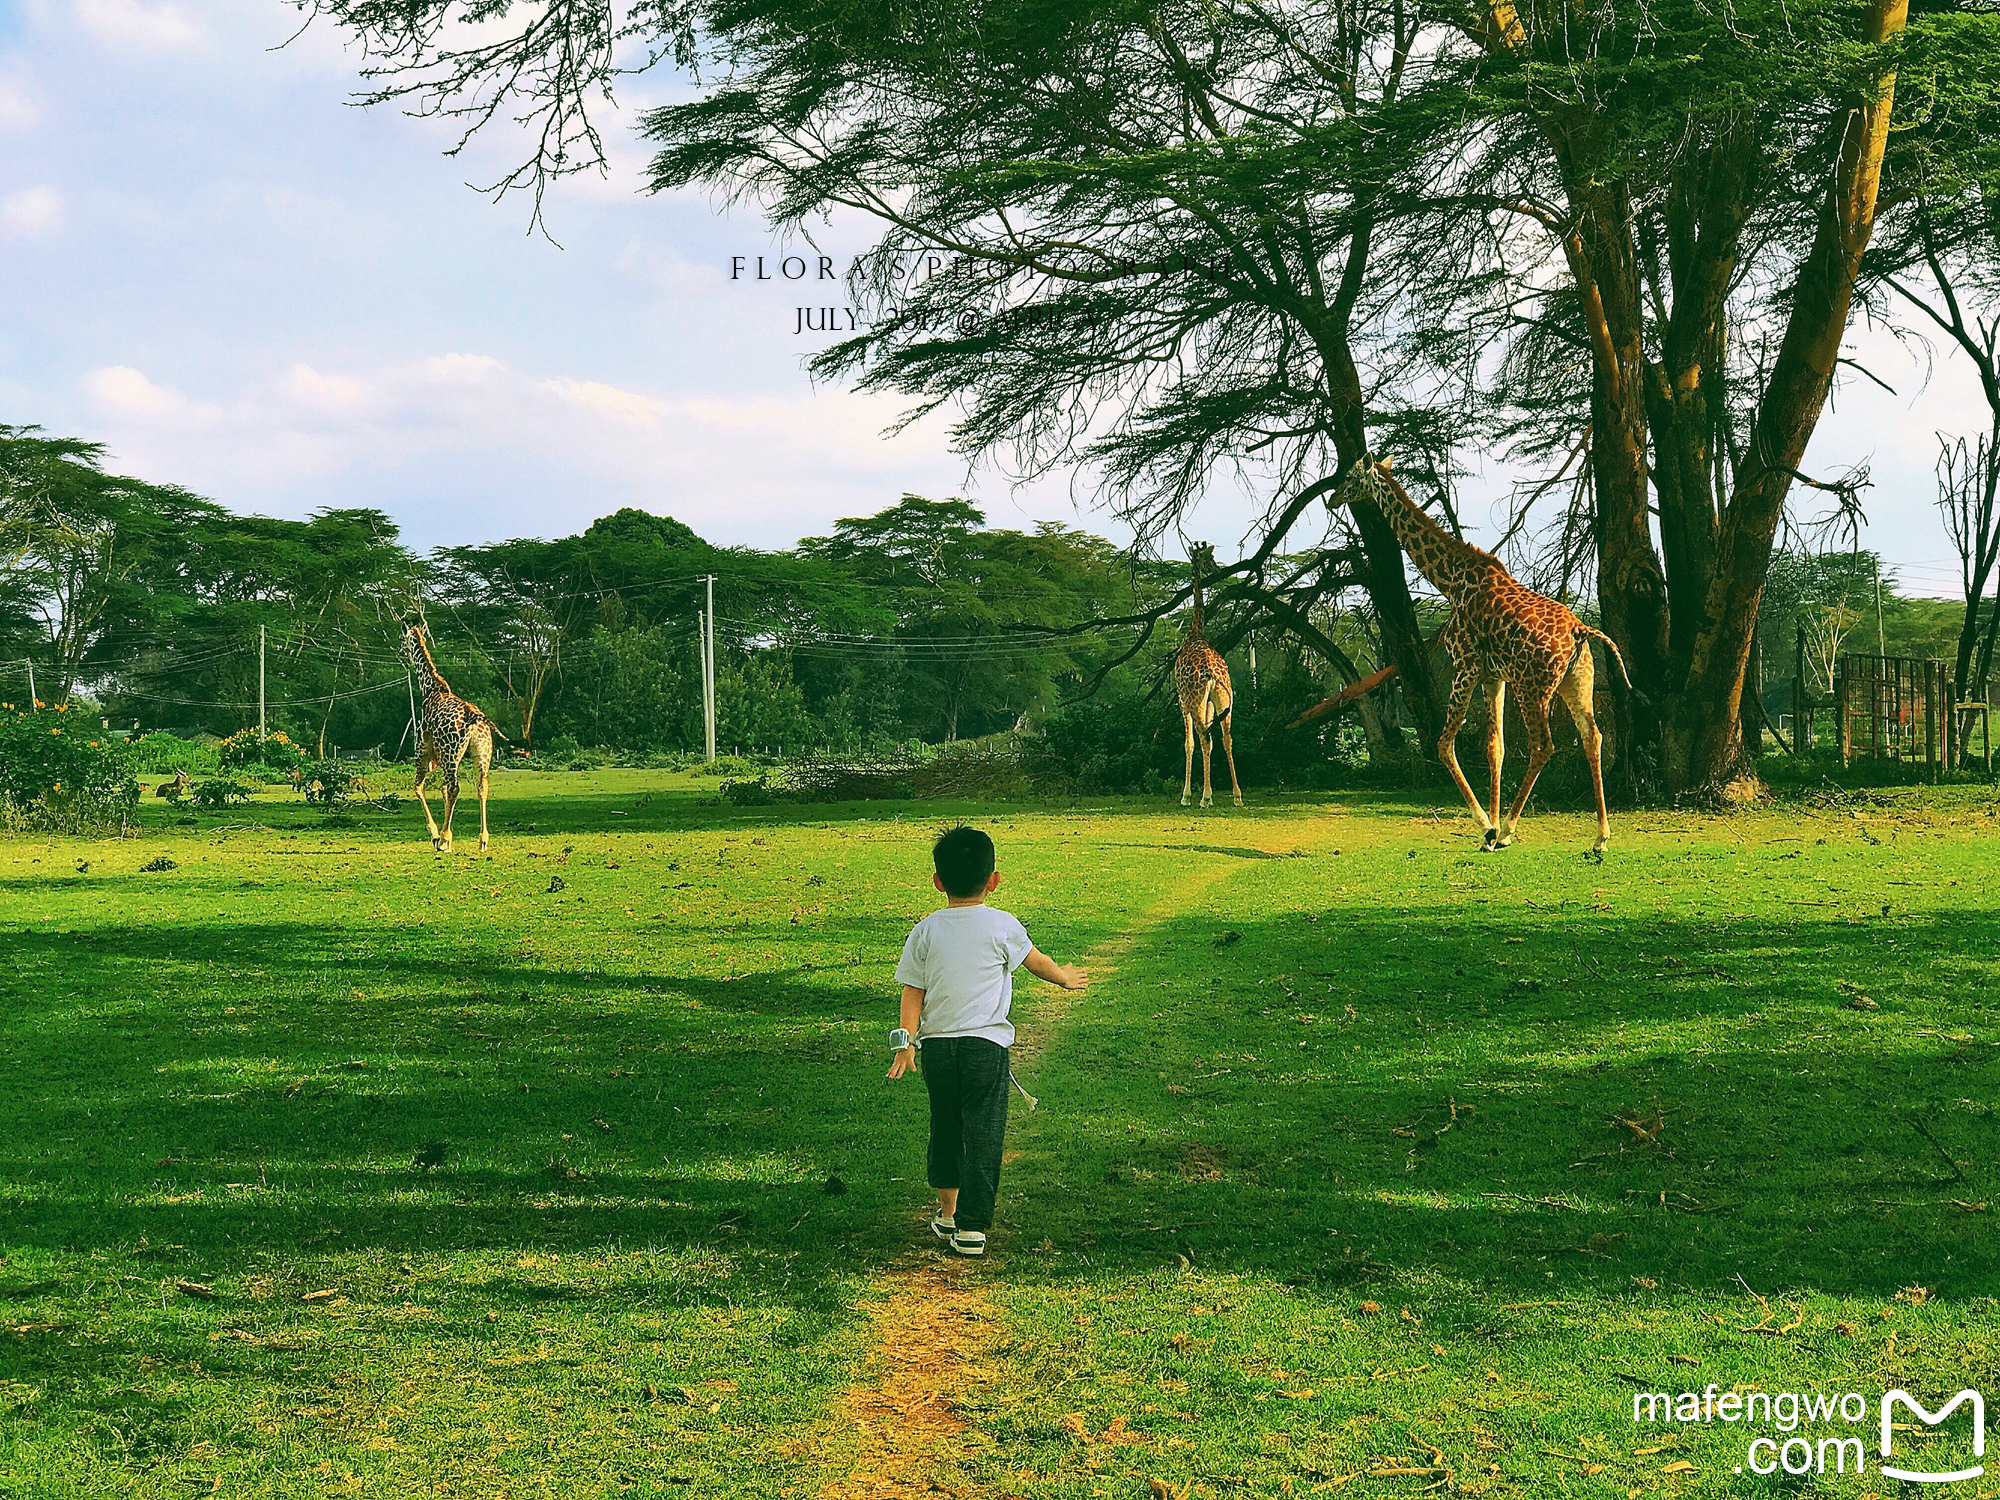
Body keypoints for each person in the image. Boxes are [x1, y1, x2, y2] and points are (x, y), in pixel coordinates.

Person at [887, 825, 1087, 1257]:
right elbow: (1036, 963)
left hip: (937, 1049)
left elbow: (912, 993)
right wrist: (1065, 978)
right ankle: (972, 1228)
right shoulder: (1003, 925)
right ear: (993, 880)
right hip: (985, 1049)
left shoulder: (924, 931)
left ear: (938, 882)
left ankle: (946, 1213)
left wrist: (906, 1043)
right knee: (983, 1131)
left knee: (946, 1125)